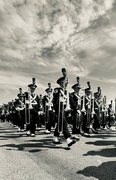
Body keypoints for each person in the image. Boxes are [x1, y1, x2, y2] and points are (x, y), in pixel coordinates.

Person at [53, 68, 76, 147]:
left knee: (60, 124)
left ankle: (55, 137)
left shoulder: (67, 91)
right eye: (62, 83)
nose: (64, 84)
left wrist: (76, 109)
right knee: (64, 123)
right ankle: (68, 139)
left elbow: (72, 101)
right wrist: (59, 100)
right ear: (59, 84)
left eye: (64, 82)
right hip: (60, 109)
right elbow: (54, 101)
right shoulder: (57, 90)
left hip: (66, 110)